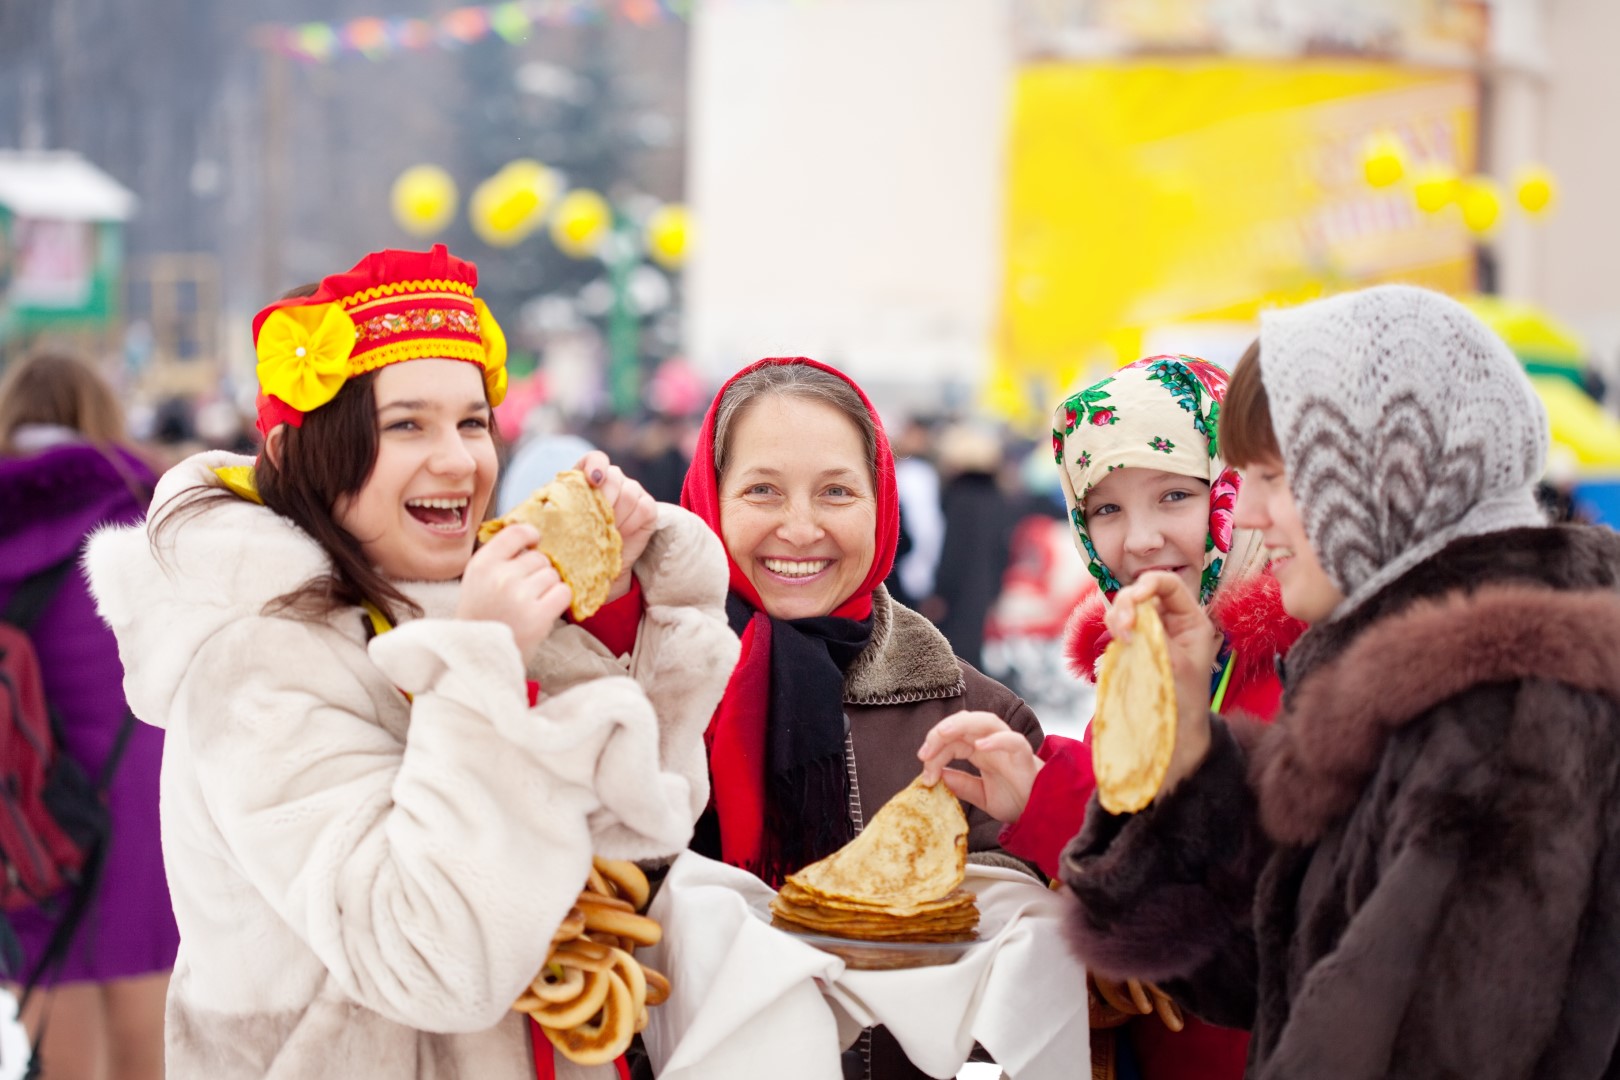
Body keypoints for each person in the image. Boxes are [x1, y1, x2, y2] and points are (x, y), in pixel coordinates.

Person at [82, 245, 739, 1079]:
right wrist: (484, 664)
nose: (460, 460)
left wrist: (622, 616)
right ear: (303, 454)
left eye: (472, 421)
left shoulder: (456, 604)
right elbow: (436, 965)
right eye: (407, 425)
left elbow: (641, 835)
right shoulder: (257, 660)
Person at [1064, 284, 1620, 1077]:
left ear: (1386, 472)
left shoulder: (1509, 721)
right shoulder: (1416, 689)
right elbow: (1286, 974)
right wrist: (1184, 749)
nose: (1247, 512)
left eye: (1275, 477)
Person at [918, 354, 1306, 1080]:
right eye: (1107, 508)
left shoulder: (1299, 671)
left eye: (1174, 496)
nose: (1139, 541)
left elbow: (1246, 897)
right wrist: (1032, 790)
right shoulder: (1140, 663)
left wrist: (1054, 796)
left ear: (1235, 489)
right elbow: (1126, 842)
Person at [678, 356, 1045, 1080]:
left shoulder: (976, 721)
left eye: (836, 491)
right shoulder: (643, 697)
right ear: (709, 501)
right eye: (762, 490)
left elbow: (1022, 987)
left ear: (882, 505)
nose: (800, 526)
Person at [0, 352, 174, 1080]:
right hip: (146, 801)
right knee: (149, 1039)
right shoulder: (151, 511)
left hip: (24, 807)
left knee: (59, 1041)